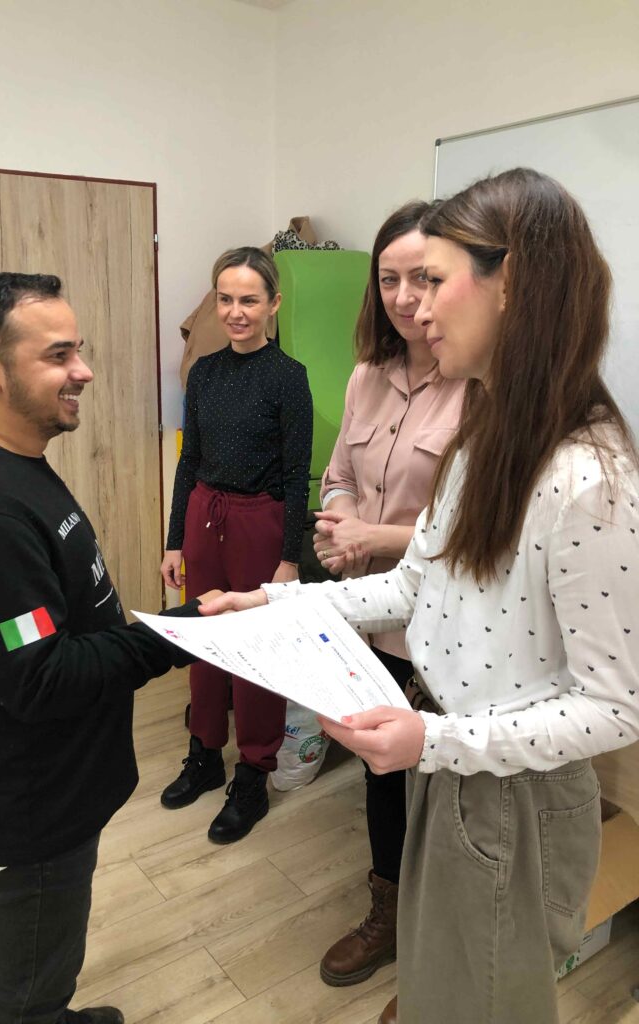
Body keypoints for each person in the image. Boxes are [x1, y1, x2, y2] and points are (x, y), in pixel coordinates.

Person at [201, 169, 639, 1024]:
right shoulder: (486, 435)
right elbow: (415, 582)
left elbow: (616, 708)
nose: (416, 308)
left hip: (508, 788)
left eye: (434, 280)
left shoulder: (589, 479)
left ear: (513, 285)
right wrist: (274, 605)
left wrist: (433, 739)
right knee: (449, 982)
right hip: (449, 758)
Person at [0, 273, 219, 1024]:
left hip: (58, 786)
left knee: (49, 964)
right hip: (28, 808)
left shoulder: (12, 467)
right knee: (26, 992)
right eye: (58, 355)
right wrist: (178, 633)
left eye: (78, 350)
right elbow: (41, 677)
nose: (84, 370)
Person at [311, 201, 465, 987]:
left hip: (446, 629)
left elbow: (479, 534)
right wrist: (341, 521)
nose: (406, 298)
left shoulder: (480, 383)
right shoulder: (367, 375)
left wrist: (374, 537)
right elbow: (338, 474)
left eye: (424, 278)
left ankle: (441, 940)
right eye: (389, 279)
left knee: (444, 790)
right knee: (379, 776)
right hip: (366, 616)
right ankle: (389, 910)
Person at [160, 246, 312, 843]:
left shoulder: (289, 377)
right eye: (225, 299)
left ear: (273, 304)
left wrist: (290, 558)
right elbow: (188, 461)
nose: (235, 312)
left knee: (255, 651)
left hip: (260, 523)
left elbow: (296, 475)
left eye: (249, 299)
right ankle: (204, 753)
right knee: (203, 639)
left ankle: (252, 774)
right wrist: (175, 540)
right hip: (205, 514)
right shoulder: (204, 372)